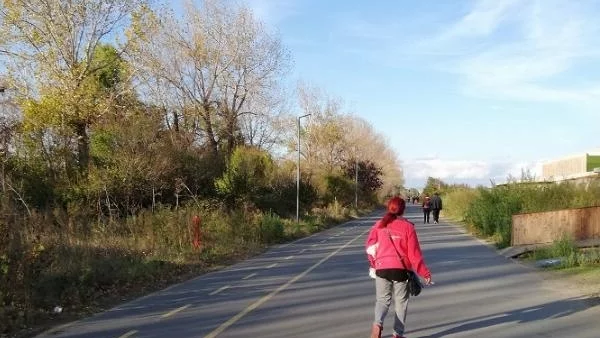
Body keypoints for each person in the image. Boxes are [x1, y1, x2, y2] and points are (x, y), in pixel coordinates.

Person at [365, 196, 433, 338]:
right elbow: (414, 254)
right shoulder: (408, 227)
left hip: (382, 268)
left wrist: (374, 264)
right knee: (401, 303)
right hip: (401, 270)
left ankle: (377, 324)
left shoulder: (379, 225)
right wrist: (425, 273)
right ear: (403, 210)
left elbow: (370, 247)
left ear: (388, 208)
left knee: (382, 300)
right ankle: (397, 334)